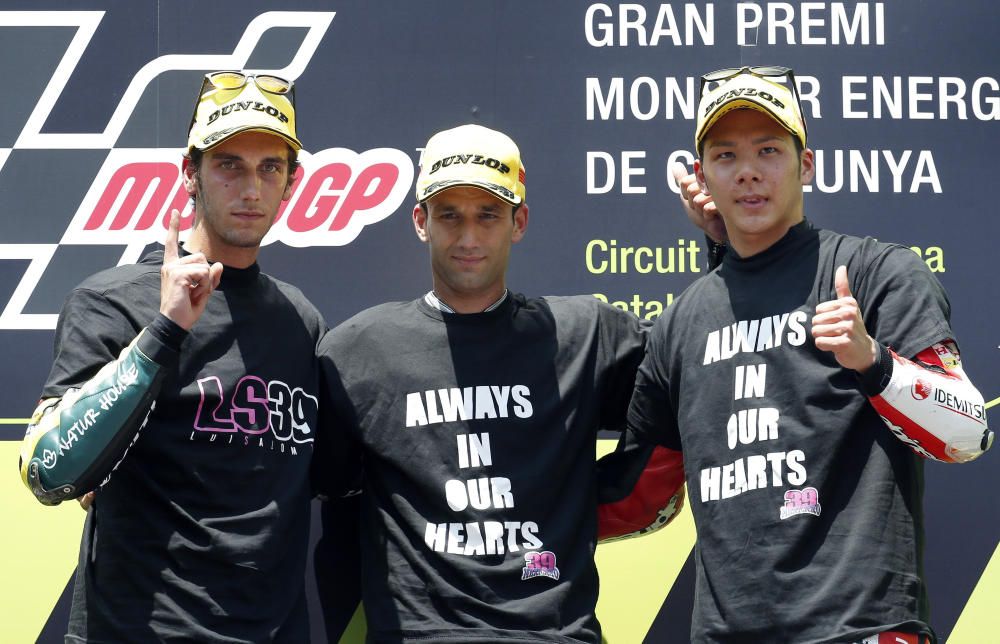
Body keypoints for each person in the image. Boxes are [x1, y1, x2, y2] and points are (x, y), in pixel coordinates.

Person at [604, 65, 993, 643]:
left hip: (860, 631)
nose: (749, 171)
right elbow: (641, 495)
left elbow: (967, 433)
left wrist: (873, 361)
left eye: (768, 150)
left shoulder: (877, 273)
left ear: (805, 164)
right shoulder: (681, 322)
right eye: (726, 156)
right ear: (702, 177)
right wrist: (504, 516)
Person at [314, 123, 686, 643]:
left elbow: (699, 368)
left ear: (519, 222)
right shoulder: (358, 350)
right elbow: (326, 481)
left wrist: (724, 246)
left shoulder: (584, 333)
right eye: (450, 215)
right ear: (421, 221)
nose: (469, 237)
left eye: (488, 214)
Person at [18, 70, 326, 642]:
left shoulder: (301, 319)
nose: (251, 189)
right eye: (229, 164)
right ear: (190, 173)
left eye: (269, 168)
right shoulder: (113, 301)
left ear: (292, 182)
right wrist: (165, 331)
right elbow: (48, 470)